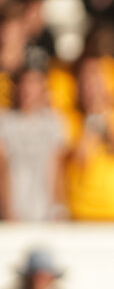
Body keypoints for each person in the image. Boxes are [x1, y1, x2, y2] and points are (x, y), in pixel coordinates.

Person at [63, 56, 114, 221]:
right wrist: (92, 120)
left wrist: (106, 118)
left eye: (96, 83)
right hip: (81, 210)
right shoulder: (71, 119)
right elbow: (79, 156)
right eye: (86, 83)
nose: (91, 89)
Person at [0, 66, 67, 221]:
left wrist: (59, 208)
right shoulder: (5, 121)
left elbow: (57, 168)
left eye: (32, 82)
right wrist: (7, 208)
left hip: (46, 214)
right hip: (14, 215)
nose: (26, 88)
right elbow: (2, 168)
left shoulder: (54, 122)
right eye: (23, 83)